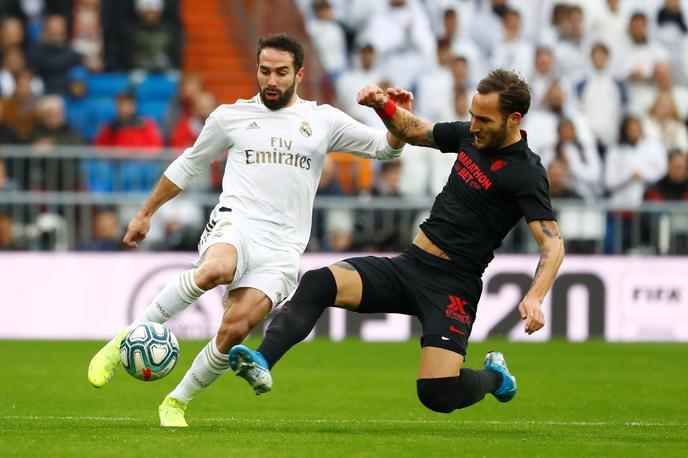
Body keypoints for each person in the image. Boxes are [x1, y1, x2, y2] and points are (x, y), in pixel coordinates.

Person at [86, 33, 408, 427]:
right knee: (215, 269)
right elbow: (189, 164)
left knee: (235, 328)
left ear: (299, 74)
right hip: (237, 223)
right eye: (264, 70)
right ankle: (123, 341)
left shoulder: (322, 120)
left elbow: (387, 148)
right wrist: (145, 213)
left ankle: (176, 402)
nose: (271, 80)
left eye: (281, 72)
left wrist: (393, 113)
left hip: (283, 248)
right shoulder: (230, 116)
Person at [229, 69, 565, 415]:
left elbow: (553, 243)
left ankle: (495, 378)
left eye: (484, 119)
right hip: (411, 265)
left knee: (437, 394)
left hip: (453, 286)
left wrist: (536, 296)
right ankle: (262, 361)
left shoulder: (526, 172)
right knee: (319, 281)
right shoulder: (472, 136)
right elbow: (416, 131)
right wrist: (383, 105)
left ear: (513, 119)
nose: (474, 126)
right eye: (471, 116)